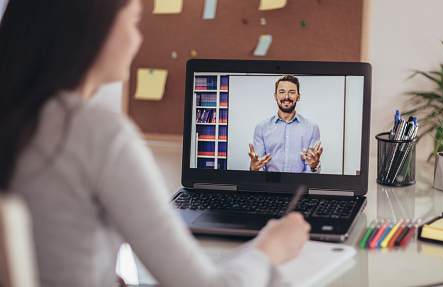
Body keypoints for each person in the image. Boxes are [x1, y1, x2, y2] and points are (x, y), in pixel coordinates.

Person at [0, 1, 310, 286]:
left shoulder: (17, 117)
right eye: (134, 22)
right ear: (94, 28)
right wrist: (270, 248)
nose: (138, 39)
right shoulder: (99, 135)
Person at [249, 75, 323, 173]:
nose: (286, 97)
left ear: (298, 97)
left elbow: (310, 168)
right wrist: (254, 169)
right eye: (282, 92)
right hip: (269, 185)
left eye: (291, 92)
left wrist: (314, 167)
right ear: (275, 96)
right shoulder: (261, 128)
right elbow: (259, 165)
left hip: (299, 186)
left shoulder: (312, 128)